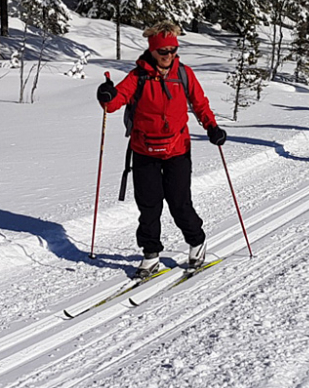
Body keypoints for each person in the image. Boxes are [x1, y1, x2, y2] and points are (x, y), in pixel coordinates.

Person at [96, 21, 227, 278]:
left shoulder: (184, 74)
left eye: (173, 50)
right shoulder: (138, 76)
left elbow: (200, 104)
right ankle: (150, 254)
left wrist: (212, 127)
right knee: (149, 206)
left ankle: (197, 242)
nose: (168, 55)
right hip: (144, 150)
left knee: (179, 203)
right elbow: (112, 104)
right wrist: (105, 95)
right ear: (152, 50)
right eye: (163, 51)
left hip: (178, 149)